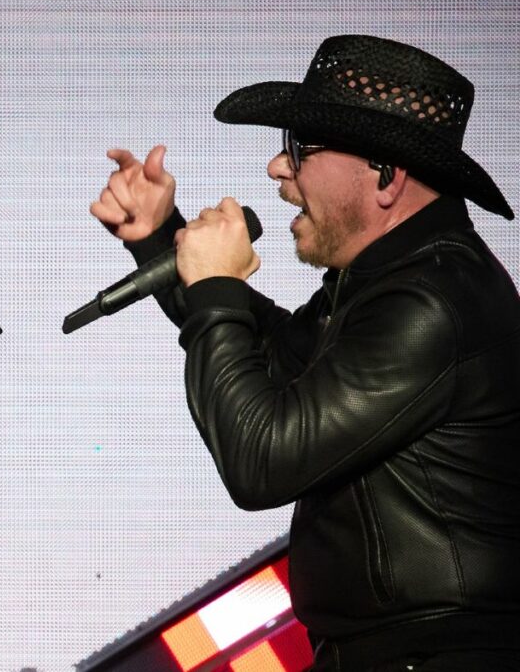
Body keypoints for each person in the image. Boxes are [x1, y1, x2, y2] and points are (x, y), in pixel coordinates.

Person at [90, 35, 520, 670]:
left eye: (300, 148)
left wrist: (216, 287)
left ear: (385, 175)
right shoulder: (391, 280)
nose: (277, 168)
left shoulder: (432, 303)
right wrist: (162, 239)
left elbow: (262, 457)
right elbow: (273, 357)